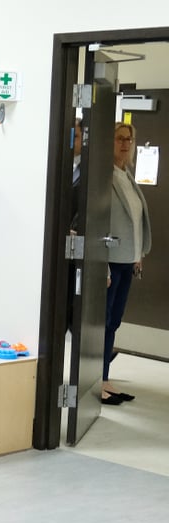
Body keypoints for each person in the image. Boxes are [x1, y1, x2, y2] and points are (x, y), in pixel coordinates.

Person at [102, 121, 151, 405]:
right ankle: (96, 378)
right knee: (103, 322)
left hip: (127, 260)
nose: (125, 144)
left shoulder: (126, 175)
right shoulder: (104, 177)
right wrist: (103, 264)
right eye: (120, 138)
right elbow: (99, 222)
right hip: (109, 260)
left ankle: (104, 376)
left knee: (114, 322)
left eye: (129, 140)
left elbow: (135, 220)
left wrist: (138, 254)